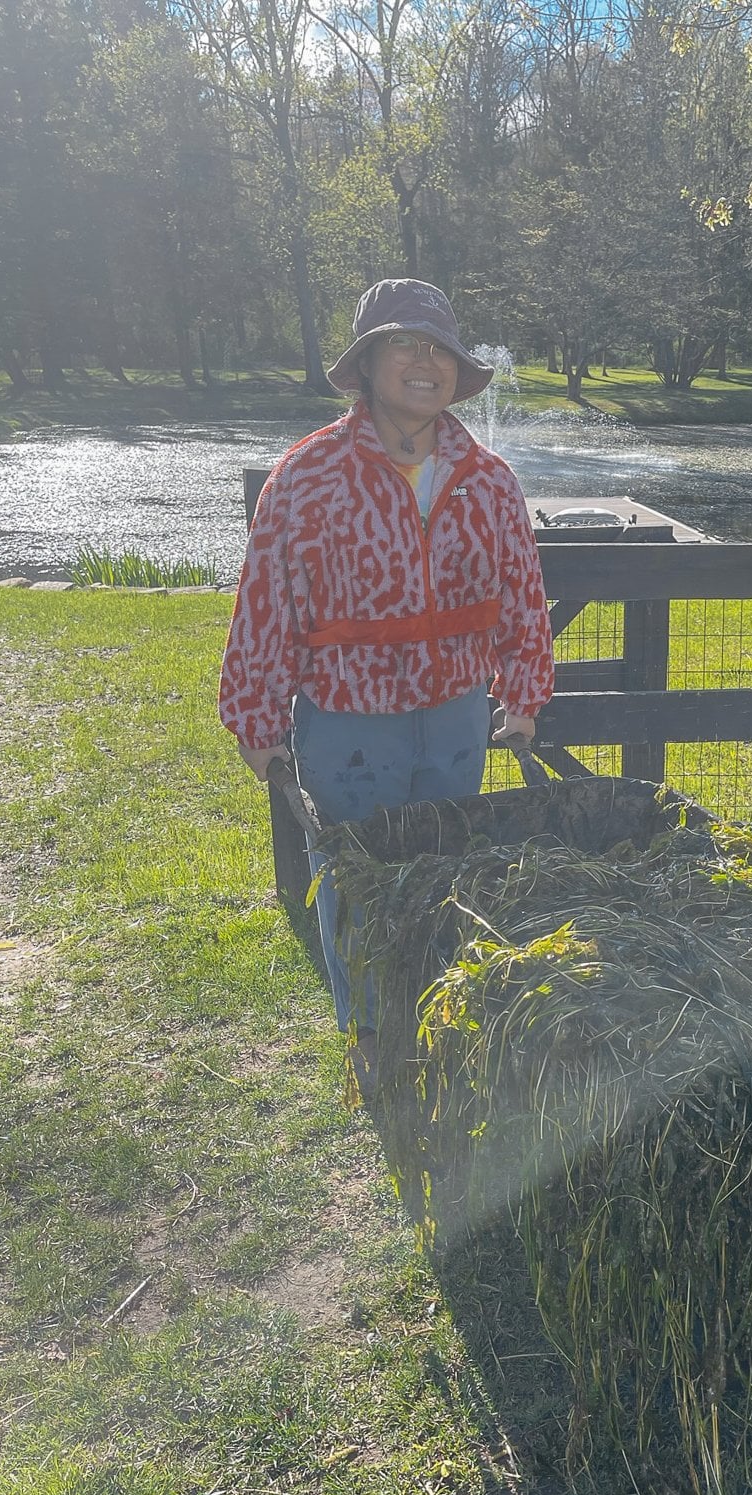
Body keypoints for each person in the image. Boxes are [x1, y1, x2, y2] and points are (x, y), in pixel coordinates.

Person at [219, 279, 555, 1085]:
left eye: (438, 349)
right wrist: (256, 724)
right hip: (347, 722)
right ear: (367, 364)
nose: (423, 362)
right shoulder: (305, 477)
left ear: (457, 373)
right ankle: (371, 1038)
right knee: (358, 881)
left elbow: (521, 594)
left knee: (445, 867)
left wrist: (526, 693)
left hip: (454, 716)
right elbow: (265, 605)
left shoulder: (489, 478)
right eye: (404, 344)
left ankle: (435, 1015)